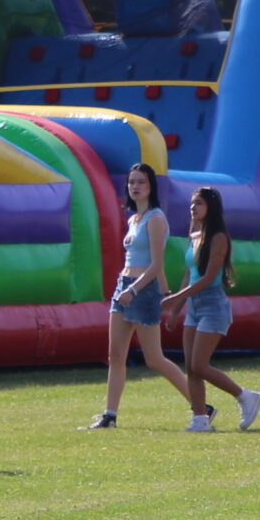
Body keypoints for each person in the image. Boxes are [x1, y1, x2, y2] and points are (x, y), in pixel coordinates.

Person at [87, 161, 190, 428]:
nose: (135, 187)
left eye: (141, 182)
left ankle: (200, 404)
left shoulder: (156, 218)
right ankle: (110, 415)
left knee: (154, 358)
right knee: (116, 355)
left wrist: (141, 291)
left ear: (151, 187)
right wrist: (127, 287)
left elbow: (156, 265)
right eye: (132, 182)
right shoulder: (134, 218)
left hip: (141, 290)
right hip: (125, 284)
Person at [160, 185, 260, 432]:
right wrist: (177, 310)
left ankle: (245, 396)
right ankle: (199, 419)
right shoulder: (194, 233)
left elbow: (207, 278)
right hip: (194, 305)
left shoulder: (218, 237)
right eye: (192, 203)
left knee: (200, 365)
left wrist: (175, 298)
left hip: (212, 304)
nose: (193, 208)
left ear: (211, 208)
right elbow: (189, 274)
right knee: (191, 367)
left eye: (199, 204)